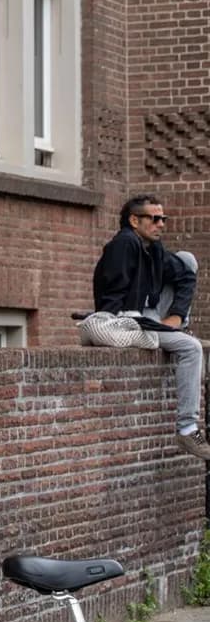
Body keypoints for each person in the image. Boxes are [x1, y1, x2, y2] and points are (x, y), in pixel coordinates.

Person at [92, 195, 208, 459]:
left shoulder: (152, 248)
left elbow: (186, 276)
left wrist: (177, 316)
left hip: (151, 315)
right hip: (128, 318)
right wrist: (125, 321)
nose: (161, 224)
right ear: (134, 220)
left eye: (163, 219)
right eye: (154, 219)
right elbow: (111, 294)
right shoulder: (124, 244)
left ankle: (180, 327)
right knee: (191, 349)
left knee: (187, 260)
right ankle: (187, 429)